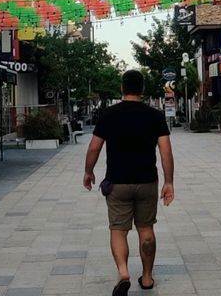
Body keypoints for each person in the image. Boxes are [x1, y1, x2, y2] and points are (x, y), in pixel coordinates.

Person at [83, 70, 174, 296]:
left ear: (122, 88)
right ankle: (147, 277)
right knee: (146, 229)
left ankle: (123, 272)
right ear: (142, 89)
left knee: (118, 230)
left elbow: (94, 147)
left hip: (117, 182)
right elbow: (166, 152)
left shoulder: (109, 114)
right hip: (147, 182)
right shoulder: (155, 116)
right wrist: (169, 182)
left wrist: (88, 171)